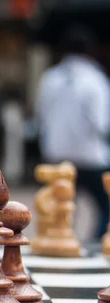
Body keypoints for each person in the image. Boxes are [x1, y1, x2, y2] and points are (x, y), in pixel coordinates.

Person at [36, 26, 110, 240]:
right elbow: (101, 122)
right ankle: (96, 244)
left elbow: (41, 114)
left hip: (56, 154)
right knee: (105, 205)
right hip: (89, 156)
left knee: (58, 206)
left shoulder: (49, 78)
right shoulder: (95, 79)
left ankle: (61, 242)